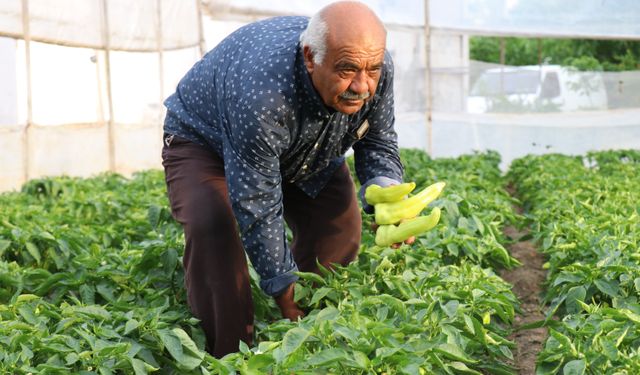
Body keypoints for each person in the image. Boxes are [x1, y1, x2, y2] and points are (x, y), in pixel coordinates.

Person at [161, 1, 405, 357]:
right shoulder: (263, 95)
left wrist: (384, 191)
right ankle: (231, 355)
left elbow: (378, 138)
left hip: (306, 145)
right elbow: (257, 204)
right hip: (205, 141)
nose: (362, 85)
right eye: (348, 69)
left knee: (340, 226)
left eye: (372, 69)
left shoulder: (373, 68)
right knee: (214, 223)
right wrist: (282, 286)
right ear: (310, 58)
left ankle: (312, 338)